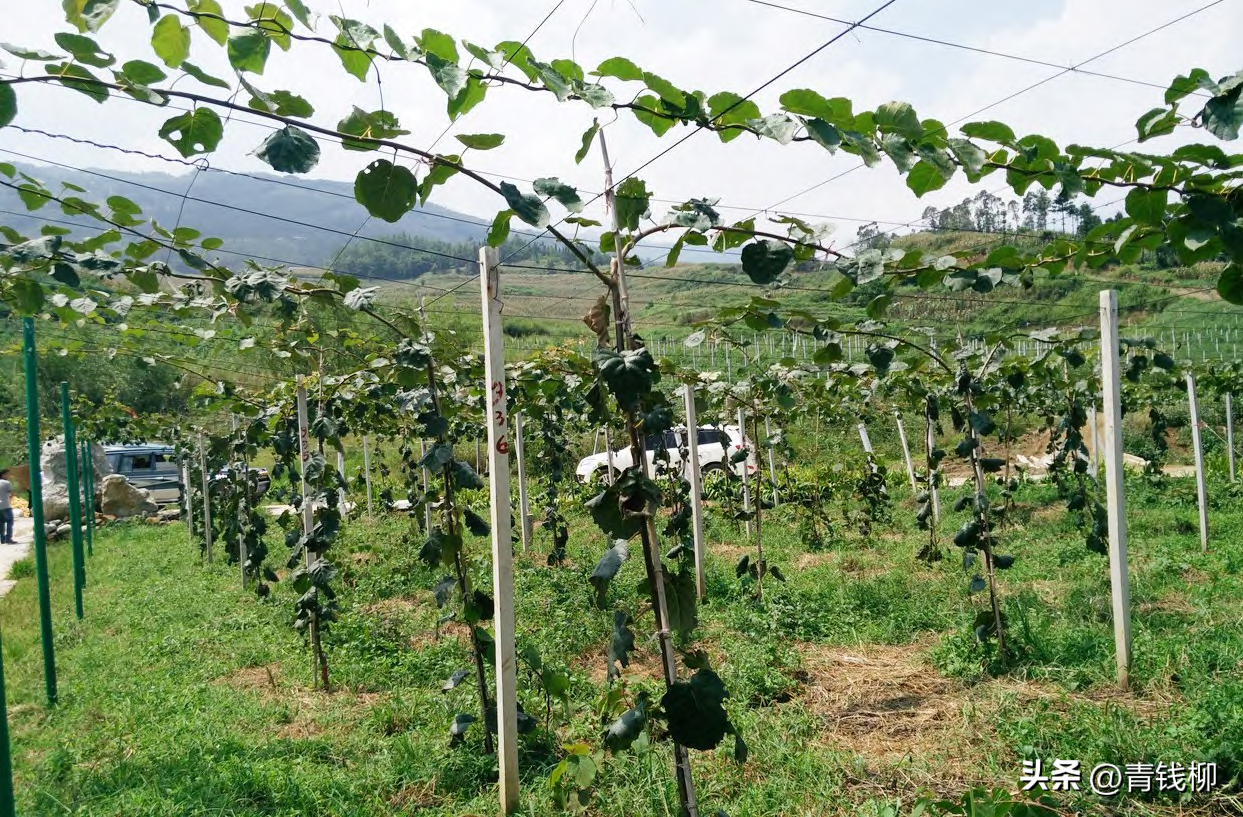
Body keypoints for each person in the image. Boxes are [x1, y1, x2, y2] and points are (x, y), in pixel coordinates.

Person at [0, 469, 13, 545]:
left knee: (1, 523)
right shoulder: (6, 482)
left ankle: (2, 539)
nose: (8, 476)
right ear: (3, 475)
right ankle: (8, 539)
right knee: (9, 522)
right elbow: (11, 493)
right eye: (7, 474)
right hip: (6, 505)